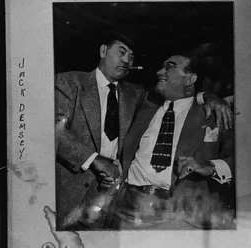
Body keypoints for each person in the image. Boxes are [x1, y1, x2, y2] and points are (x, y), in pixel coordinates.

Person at [114, 45, 235, 230]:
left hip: (181, 214)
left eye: (169, 66)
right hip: (131, 207)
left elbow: (243, 160)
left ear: (190, 78)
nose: (159, 71)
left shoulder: (214, 113)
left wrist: (210, 167)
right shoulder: (145, 101)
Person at [53, 32, 145, 230]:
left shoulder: (136, 94)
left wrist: (206, 97)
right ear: (103, 51)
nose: (126, 60)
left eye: (131, 57)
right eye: (122, 52)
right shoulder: (69, 83)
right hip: (71, 193)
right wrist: (95, 160)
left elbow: (173, 99)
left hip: (112, 195)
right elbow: (55, 133)